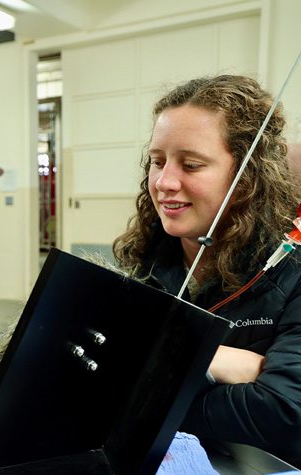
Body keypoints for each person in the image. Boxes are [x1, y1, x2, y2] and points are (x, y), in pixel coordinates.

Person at [113, 75, 301, 465]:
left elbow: (285, 414)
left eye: (192, 165)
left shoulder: (291, 269)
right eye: (157, 162)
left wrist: (151, 385)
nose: (164, 182)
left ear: (250, 176)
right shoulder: (144, 257)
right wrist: (222, 362)